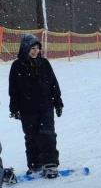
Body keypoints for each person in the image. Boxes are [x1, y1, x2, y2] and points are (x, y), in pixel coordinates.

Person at [9, 33, 63, 179]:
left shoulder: (44, 63)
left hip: (45, 106)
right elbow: (13, 90)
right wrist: (14, 108)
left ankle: (50, 164)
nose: (35, 51)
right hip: (27, 108)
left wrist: (58, 101)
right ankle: (35, 164)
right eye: (32, 48)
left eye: (37, 48)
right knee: (31, 136)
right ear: (25, 49)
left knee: (48, 135)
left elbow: (53, 83)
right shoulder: (16, 66)